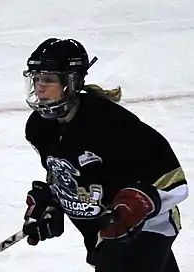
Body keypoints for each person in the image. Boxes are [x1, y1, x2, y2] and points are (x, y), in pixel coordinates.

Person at [22, 38, 188, 272]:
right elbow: (77, 175)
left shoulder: (110, 123)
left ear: (71, 82)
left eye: (48, 79)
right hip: (100, 232)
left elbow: (172, 179)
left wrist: (131, 207)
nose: (39, 87)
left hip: (146, 230)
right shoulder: (39, 128)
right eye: (36, 78)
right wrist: (52, 204)